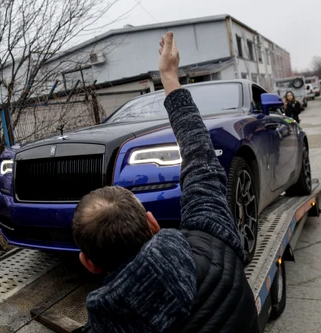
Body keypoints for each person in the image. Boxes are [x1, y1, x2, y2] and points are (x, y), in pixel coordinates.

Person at [72, 32, 260, 333]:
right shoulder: (213, 242)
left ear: (88, 263)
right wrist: (170, 78)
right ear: (152, 223)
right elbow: (200, 157)